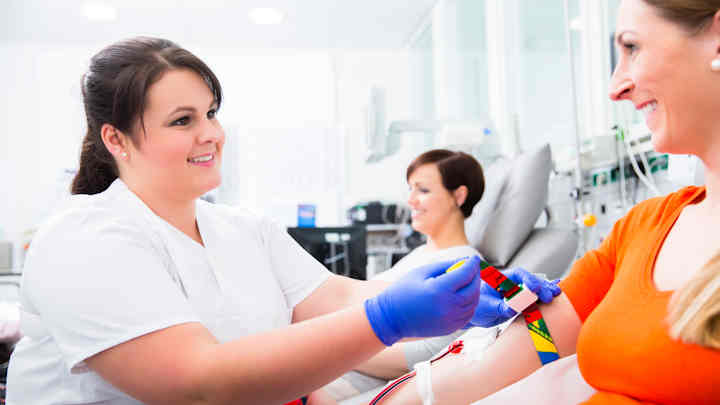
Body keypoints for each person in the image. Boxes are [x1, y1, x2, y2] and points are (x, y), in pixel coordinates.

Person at [5, 37, 559, 405]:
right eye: (182, 120)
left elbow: (338, 297)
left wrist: (467, 305)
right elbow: (197, 382)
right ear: (116, 139)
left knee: (544, 340)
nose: (211, 134)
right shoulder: (84, 239)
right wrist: (390, 317)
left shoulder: (242, 229)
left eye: (211, 113)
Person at [376, 0, 720, 404]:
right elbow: (543, 340)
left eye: (632, 48)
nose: (615, 87)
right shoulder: (644, 227)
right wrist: (516, 310)